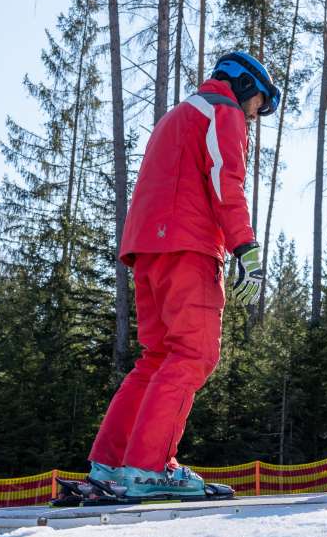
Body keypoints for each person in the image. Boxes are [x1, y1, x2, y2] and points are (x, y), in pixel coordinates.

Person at [86, 51, 280, 499]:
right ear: (246, 86)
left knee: (157, 357)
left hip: (148, 248)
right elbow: (224, 181)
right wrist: (245, 247)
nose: (254, 116)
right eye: (259, 104)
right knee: (194, 353)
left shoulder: (177, 115)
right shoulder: (223, 110)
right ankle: (149, 467)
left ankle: (110, 464)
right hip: (187, 246)